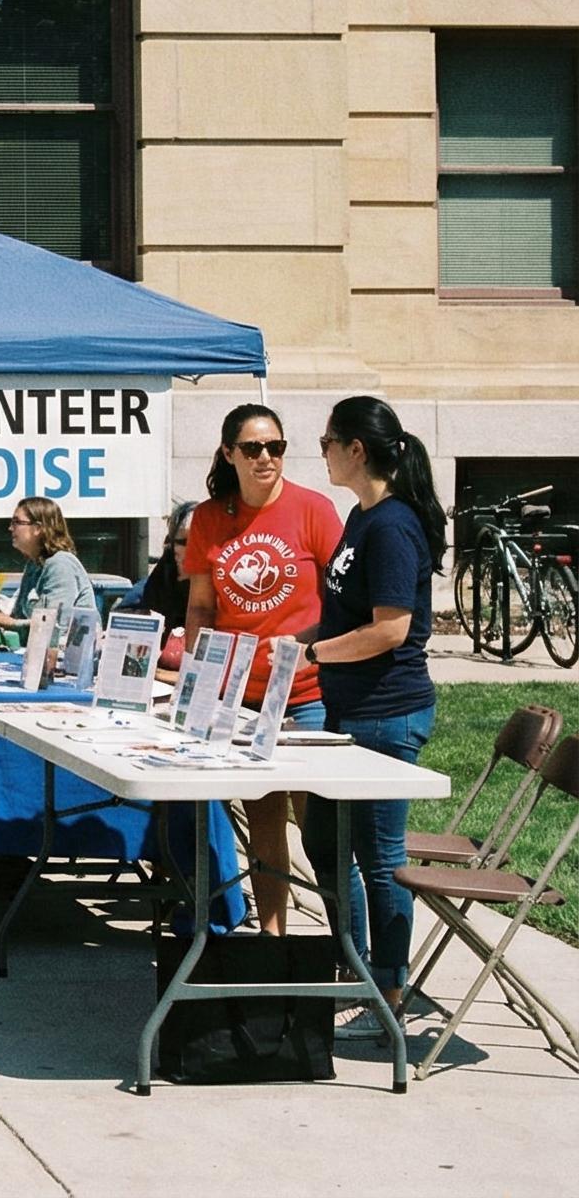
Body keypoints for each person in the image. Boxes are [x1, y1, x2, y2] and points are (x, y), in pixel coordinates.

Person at [301, 395, 447, 1042]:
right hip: (347, 709)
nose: (323, 450)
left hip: (386, 714)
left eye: (329, 440)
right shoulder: (361, 519)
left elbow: (390, 630)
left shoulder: (391, 526)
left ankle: (387, 986)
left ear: (357, 449)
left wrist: (309, 652)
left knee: (378, 856)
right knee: (326, 844)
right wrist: (293, 644)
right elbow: (341, 617)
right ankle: (353, 965)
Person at [182, 404, 342, 934]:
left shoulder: (313, 509)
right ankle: (274, 940)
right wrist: (197, 682)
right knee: (263, 821)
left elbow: (343, 603)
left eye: (276, 447)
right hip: (240, 697)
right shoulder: (209, 517)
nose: (266, 458)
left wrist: (307, 644)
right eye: (252, 449)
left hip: (305, 694)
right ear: (229, 454)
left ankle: (348, 949)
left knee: (319, 830)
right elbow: (202, 609)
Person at [0, 497, 95, 632]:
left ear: (38, 528)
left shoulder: (60, 565)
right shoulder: (33, 565)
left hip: (66, 651)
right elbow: (17, 615)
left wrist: (11, 623)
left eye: (17, 522)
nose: (10, 528)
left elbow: (55, 626)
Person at [123, 500, 198, 629]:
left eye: (199, 542)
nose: (176, 549)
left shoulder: (220, 587)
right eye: (182, 542)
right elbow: (124, 615)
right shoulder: (154, 586)